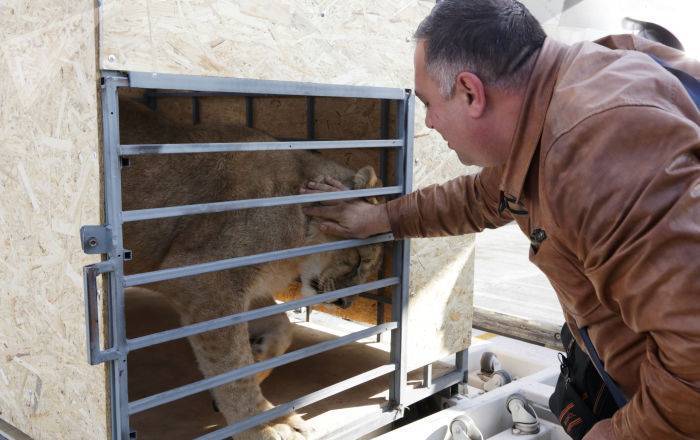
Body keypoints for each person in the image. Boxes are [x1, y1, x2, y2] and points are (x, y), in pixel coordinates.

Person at [301, 1, 700, 439]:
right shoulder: (566, 90)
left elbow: (694, 360)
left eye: (430, 104)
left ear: (471, 92)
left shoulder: (596, 153)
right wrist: (379, 218)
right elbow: (480, 197)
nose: (430, 122)